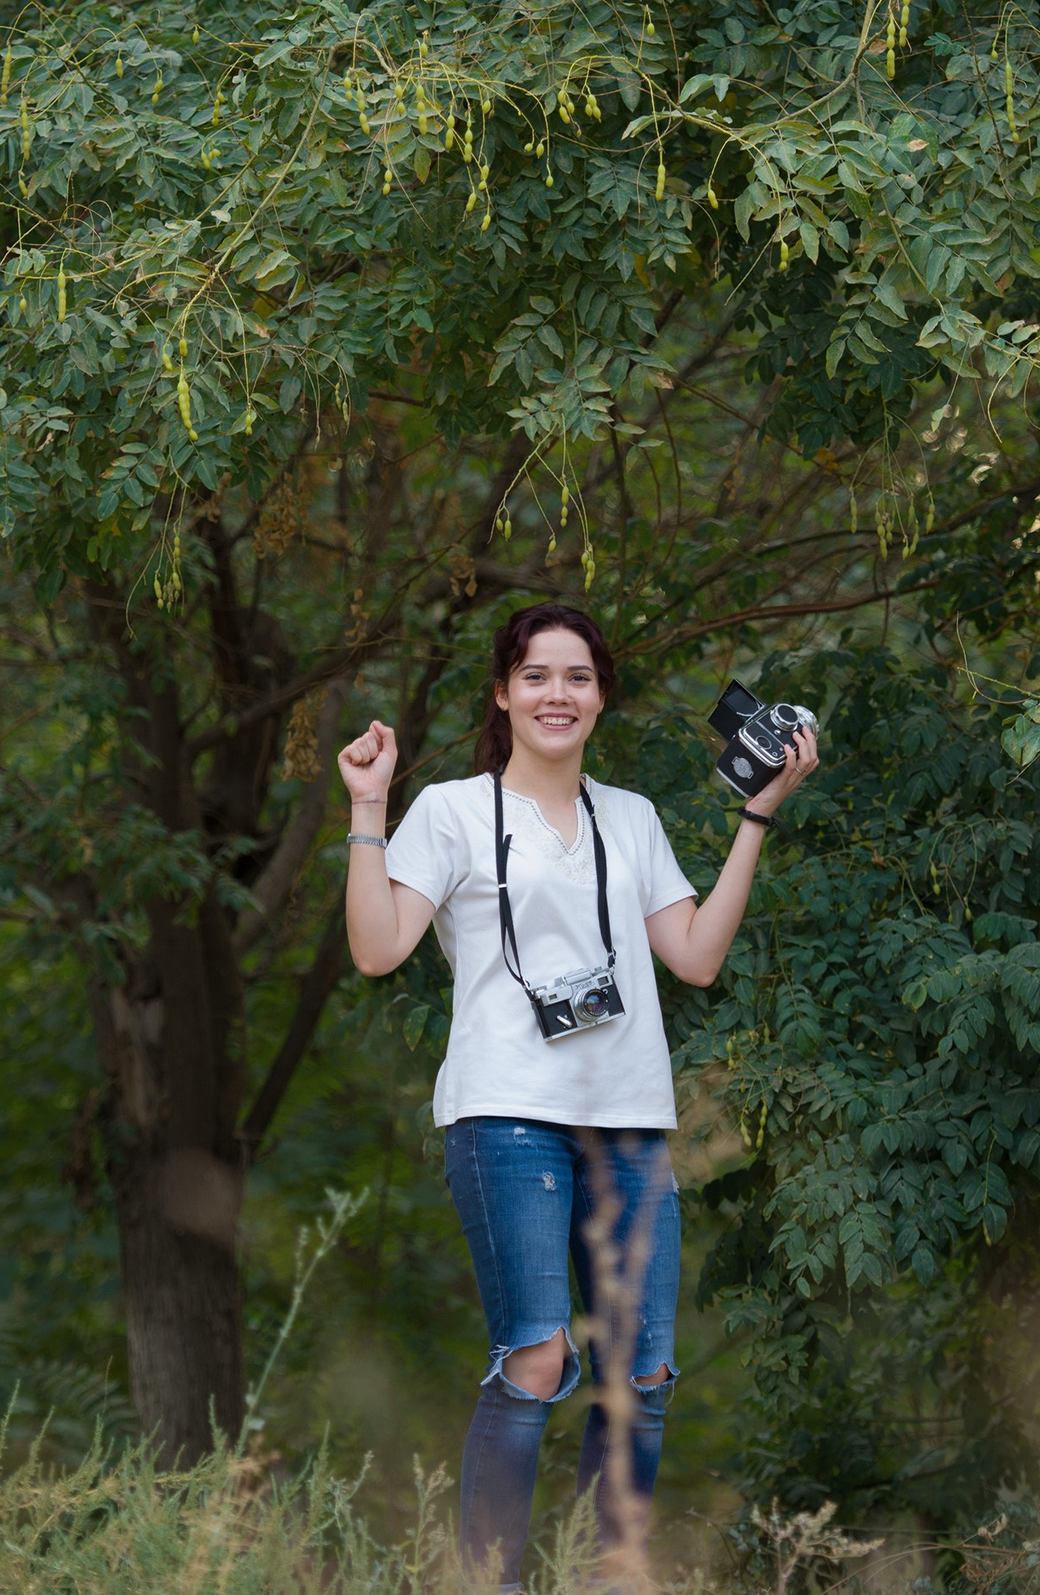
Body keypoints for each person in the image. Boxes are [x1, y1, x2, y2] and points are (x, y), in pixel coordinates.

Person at [337, 602, 817, 1591]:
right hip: (506, 1115)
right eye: (537, 674)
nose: (558, 693)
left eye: (578, 677)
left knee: (642, 1377)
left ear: (601, 696)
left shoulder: (630, 817)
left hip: (631, 1124)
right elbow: (377, 948)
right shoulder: (452, 810)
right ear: (504, 693)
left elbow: (695, 957)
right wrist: (367, 810)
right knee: (538, 1358)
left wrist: (756, 814)